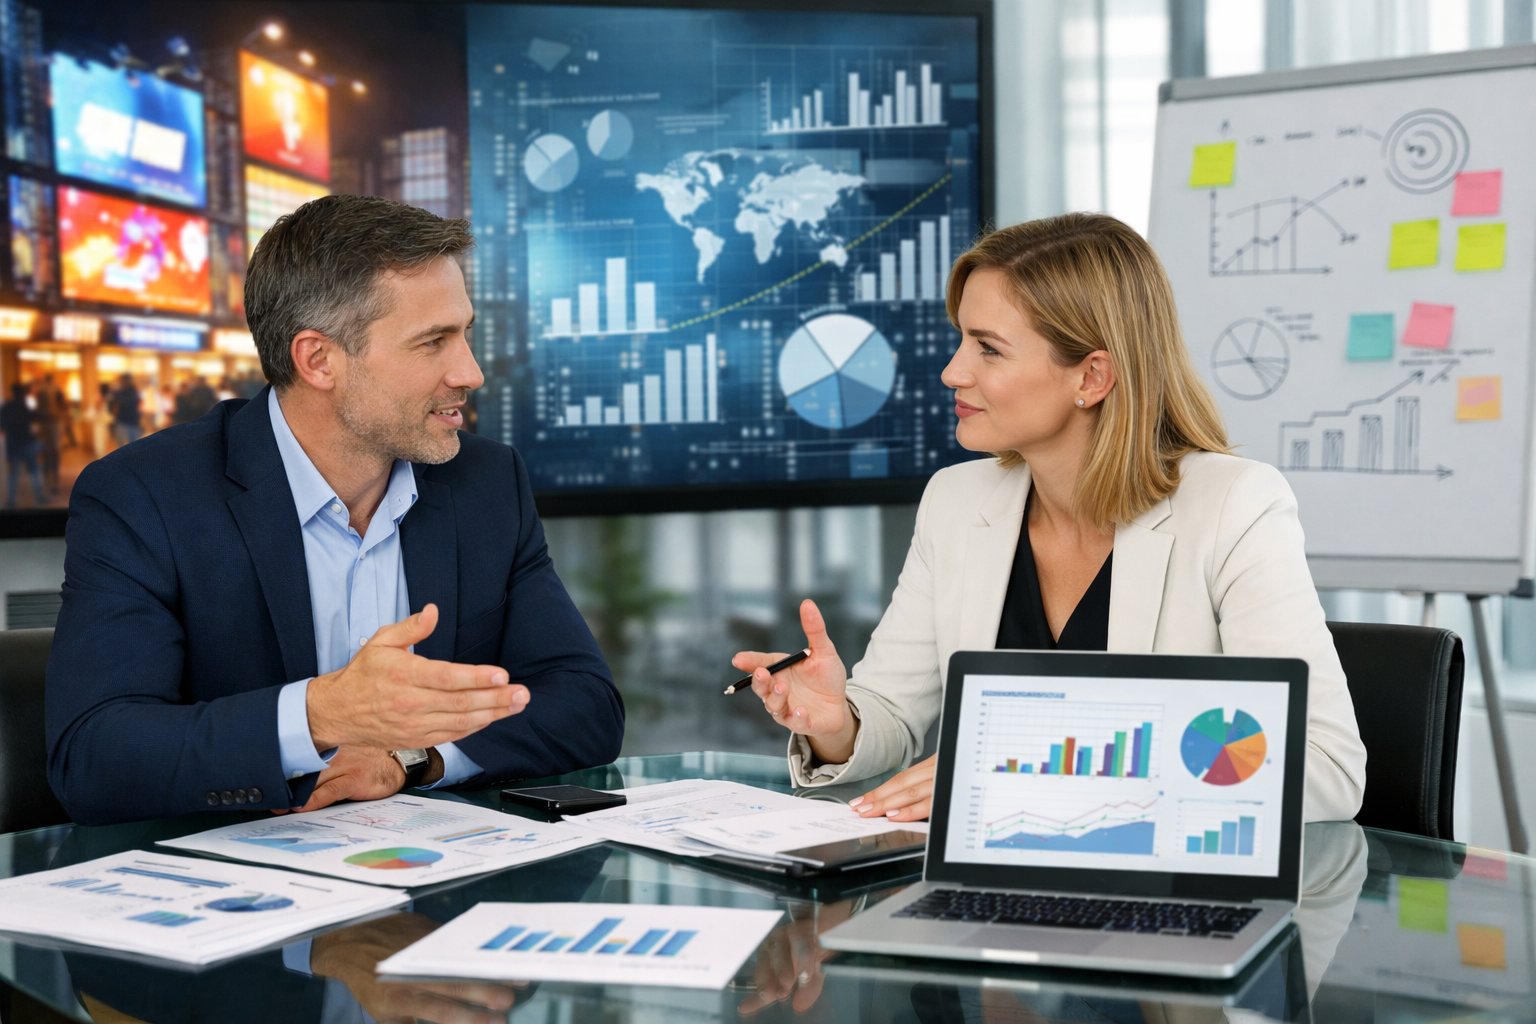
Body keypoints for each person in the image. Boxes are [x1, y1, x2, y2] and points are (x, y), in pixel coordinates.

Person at [733, 213, 1365, 824]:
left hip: (1162, 890)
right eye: (962, 340)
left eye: (988, 349)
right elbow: (893, 717)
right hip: (987, 888)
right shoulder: (956, 502)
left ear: (1091, 376)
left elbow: (1324, 767)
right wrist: (836, 724)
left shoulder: (1234, 506)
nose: (953, 372)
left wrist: (1026, 775)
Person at [47, 194, 625, 825]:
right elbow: (94, 757)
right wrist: (322, 714)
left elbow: (586, 705)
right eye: (433, 342)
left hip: (433, 865)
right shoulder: (144, 496)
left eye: (465, 333)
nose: (471, 371)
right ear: (318, 359)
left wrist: (413, 757)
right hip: (238, 873)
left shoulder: (486, 482)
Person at [1, 382, 46, 508]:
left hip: (13, 443)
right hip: (27, 442)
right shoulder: (26, 406)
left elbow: (2, 426)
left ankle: (11, 500)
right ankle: (39, 496)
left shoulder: (6, 407)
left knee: (13, 474)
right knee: (34, 470)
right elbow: (36, 420)